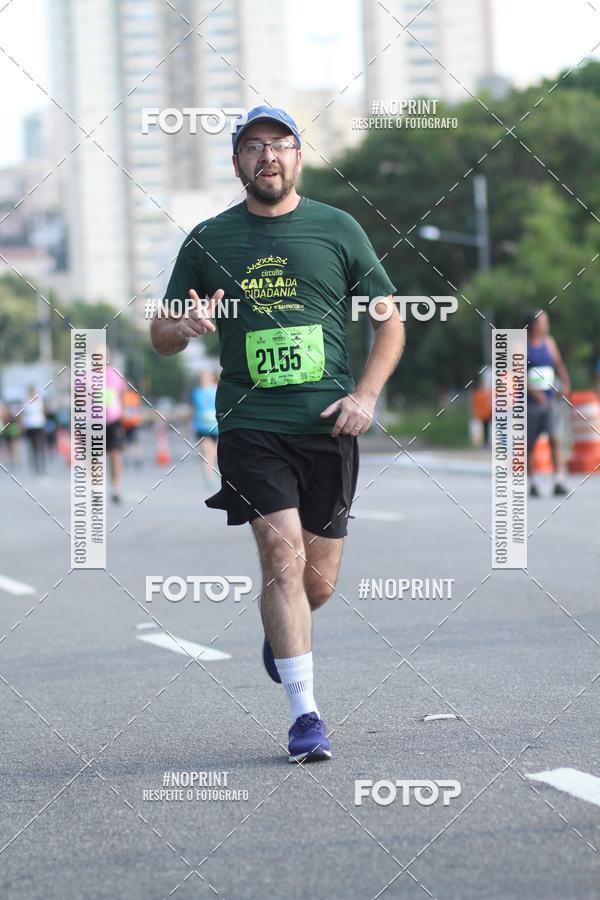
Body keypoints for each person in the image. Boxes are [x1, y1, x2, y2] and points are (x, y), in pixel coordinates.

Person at [151, 105, 405, 763]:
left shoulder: (337, 229)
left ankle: (282, 629)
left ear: (298, 157)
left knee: (316, 582)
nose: (268, 156)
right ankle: (305, 717)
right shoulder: (208, 239)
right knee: (281, 555)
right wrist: (184, 328)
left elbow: (391, 321)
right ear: (237, 162)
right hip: (251, 425)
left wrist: (367, 394)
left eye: (281, 144)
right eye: (254, 146)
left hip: (328, 426)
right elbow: (159, 336)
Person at [525, 310, 570, 497]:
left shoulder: (549, 343)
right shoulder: (522, 345)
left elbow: (558, 364)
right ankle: (532, 482)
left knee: (554, 438)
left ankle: (558, 480)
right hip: (530, 403)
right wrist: (533, 392)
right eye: (544, 322)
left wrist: (566, 382)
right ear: (534, 325)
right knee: (530, 444)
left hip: (550, 399)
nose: (546, 325)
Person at [191, 370, 219, 486]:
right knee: (207, 451)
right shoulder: (197, 392)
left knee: (215, 453)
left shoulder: (216, 390)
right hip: (202, 427)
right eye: (203, 377)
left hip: (216, 427)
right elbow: (194, 409)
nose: (204, 379)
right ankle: (209, 478)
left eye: (207, 377)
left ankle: (212, 471)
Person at [105, 365, 126, 503]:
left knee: (115, 454)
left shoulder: (114, 373)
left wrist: (123, 412)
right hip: (93, 420)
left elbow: (123, 393)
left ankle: (116, 488)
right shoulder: (86, 374)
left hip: (114, 419)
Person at [21, 385, 47, 474]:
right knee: (32, 446)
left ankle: (42, 465)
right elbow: (23, 414)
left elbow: (43, 411)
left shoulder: (39, 401)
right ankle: (35, 466)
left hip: (38, 424)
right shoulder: (26, 401)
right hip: (30, 425)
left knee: (40, 445)